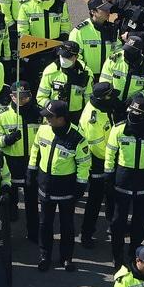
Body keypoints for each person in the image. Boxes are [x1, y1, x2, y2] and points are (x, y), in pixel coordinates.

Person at [28, 99, 90, 271]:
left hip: (66, 190)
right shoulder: (43, 130)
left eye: (50, 117)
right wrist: (31, 170)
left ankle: (66, 258)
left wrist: (80, 186)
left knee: (67, 226)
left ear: (61, 118)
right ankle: (44, 256)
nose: (46, 119)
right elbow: (35, 149)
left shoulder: (77, 138)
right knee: (45, 225)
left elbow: (84, 164)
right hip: (45, 186)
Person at [106, 94, 144, 266]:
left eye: (138, 113)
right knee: (118, 222)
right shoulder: (119, 129)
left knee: (139, 223)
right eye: (132, 112)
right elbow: (110, 153)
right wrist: (109, 175)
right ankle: (117, 255)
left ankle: (134, 254)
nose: (133, 115)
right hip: (123, 181)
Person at [0, 80, 41, 237]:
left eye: (24, 96)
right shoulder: (3, 116)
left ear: (30, 95)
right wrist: (7, 139)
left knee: (32, 200)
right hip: (11, 162)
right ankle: (9, 230)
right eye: (17, 96)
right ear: (11, 96)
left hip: (32, 162)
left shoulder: (38, 114)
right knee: (10, 197)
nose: (21, 99)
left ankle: (33, 232)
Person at [79, 81, 118, 247]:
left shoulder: (102, 107)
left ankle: (113, 225)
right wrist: (114, 158)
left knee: (111, 195)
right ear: (103, 98)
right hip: (98, 162)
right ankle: (86, 234)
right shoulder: (92, 118)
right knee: (95, 200)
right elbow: (97, 148)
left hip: (106, 158)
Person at [13, 0, 71, 85]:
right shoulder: (26, 5)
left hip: (55, 47)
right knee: (33, 79)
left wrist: (62, 40)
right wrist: (27, 51)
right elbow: (22, 29)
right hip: (35, 47)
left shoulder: (60, 3)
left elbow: (65, 24)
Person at [100, 35, 144, 112]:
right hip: (113, 102)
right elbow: (104, 80)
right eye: (126, 50)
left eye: (130, 51)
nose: (126, 53)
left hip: (134, 106)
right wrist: (112, 97)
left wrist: (138, 97)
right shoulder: (114, 60)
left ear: (139, 51)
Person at [69, 0, 119, 79]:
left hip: (109, 76)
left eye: (108, 8)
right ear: (93, 12)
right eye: (104, 9)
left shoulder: (112, 29)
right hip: (88, 76)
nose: (108, 11)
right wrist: (87, 73)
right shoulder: (79, 31)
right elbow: (75, 57)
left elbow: (118, 51)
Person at [37, 42, 92, 116]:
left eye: (67, 57)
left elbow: (88, 99)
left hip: (76, 115)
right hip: (55, 115)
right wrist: (52, 106)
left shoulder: (86, 73)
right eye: (62, 55)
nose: (63, 59)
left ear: (76, 57)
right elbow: (41, 97)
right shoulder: (50, 71)